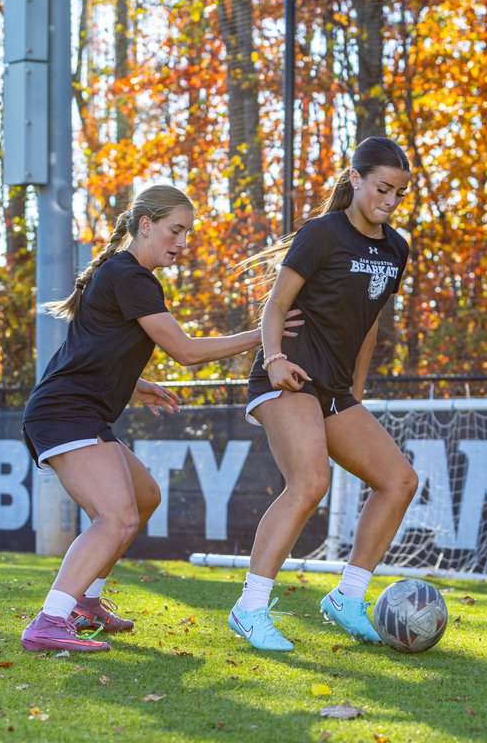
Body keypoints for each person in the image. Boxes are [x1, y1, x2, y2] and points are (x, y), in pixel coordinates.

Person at [20, 184, 301, 652]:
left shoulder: (119, 274)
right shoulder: (130, 276)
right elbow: (186, 351)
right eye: (175, 230)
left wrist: (135, 385)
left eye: (187, 232)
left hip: (76, 411)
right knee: (116, 517)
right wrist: (264, 333)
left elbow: (91, 351)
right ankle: (49, 620)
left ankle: (86, 604)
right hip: (64, 413)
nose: (181, 241)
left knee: (144, 497)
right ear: (145, 225)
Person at [229, 137, 419, 651]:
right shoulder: (321, 234)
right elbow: (275, 305)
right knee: (310, 482)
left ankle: (347, 596)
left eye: (400, 193)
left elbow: (369, 325)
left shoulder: (396, 249)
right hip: (286, 375)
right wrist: (274, 361)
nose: (390, 201)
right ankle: (250, 607)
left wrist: (354, 393)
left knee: (399, 481)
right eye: (382, 188)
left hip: (334, 389)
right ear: (355, 179)